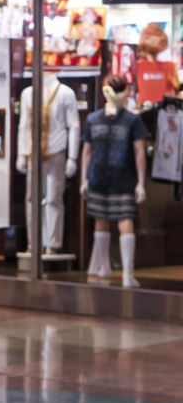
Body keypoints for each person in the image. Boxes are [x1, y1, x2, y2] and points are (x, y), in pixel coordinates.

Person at [81, 75, 150, 288]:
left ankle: (127, 273)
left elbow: (139, 151)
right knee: (101, 220)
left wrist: (140, 182)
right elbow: (87, 151)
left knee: (124, 220)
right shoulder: (93, 119)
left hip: (123, 178)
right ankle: (104, 267)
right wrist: (84, 179)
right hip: (99, 178)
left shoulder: (132, 119)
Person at [17, 70, 81, 253]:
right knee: (32, 198)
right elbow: (23, 125)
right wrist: (21, 153)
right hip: (33, 151)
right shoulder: (28, 93)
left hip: (56, 149)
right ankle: (33, 243)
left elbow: (74, 126)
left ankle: (52, 243)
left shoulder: (65, 93)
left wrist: (72, 158)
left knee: (54, 197)